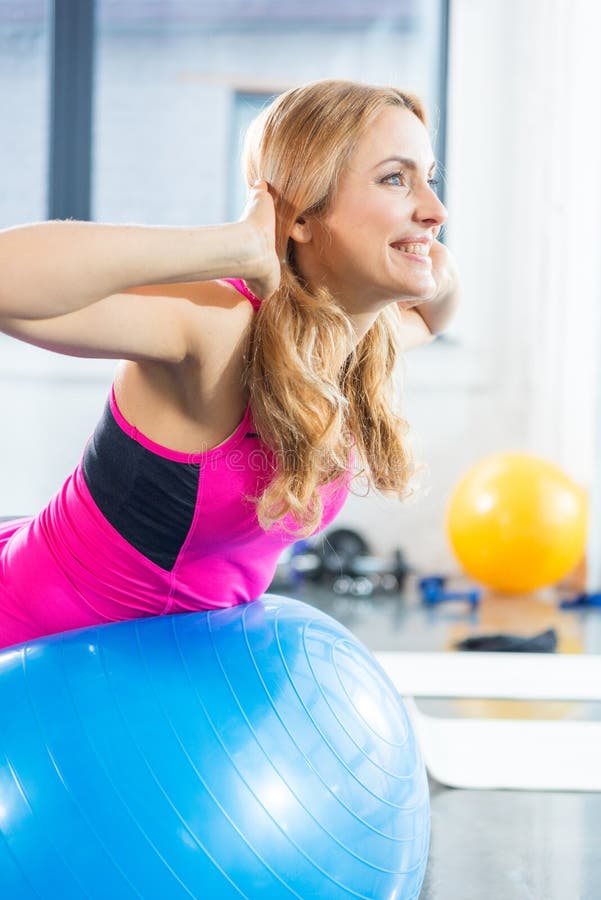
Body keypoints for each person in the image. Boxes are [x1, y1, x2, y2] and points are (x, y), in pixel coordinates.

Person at [0, 78, 459, 650]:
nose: (435, 210)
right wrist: (235, 243)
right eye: (395, 178)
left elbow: (439, 312)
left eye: (430, 179)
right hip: (35, 651)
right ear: (302, 216)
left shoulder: (354, 342)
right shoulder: (222, 330)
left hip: (161, 666)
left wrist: (421, 254)